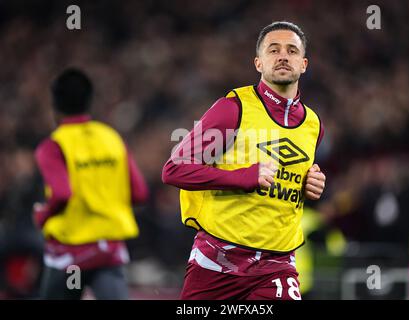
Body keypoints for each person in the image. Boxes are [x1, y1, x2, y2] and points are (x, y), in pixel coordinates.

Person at [162, 21, 326, 300]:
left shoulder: (313, 124)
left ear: (304, 64)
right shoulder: (232, 108)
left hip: (277, 265)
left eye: (292, 51)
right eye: (273, 50)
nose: (283, 56)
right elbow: (174, 170)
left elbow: (283, 184)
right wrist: (241, 177)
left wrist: (310, 186)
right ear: (258, 63)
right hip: (218, 260)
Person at [33, 68, 149, 299]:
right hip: (108, 250)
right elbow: (139, 193)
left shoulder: (53, 146)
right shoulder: (111, 137)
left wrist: (42, 215)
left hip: (70, 252)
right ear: (89, 101)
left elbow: (62, 194)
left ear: (54, 106)